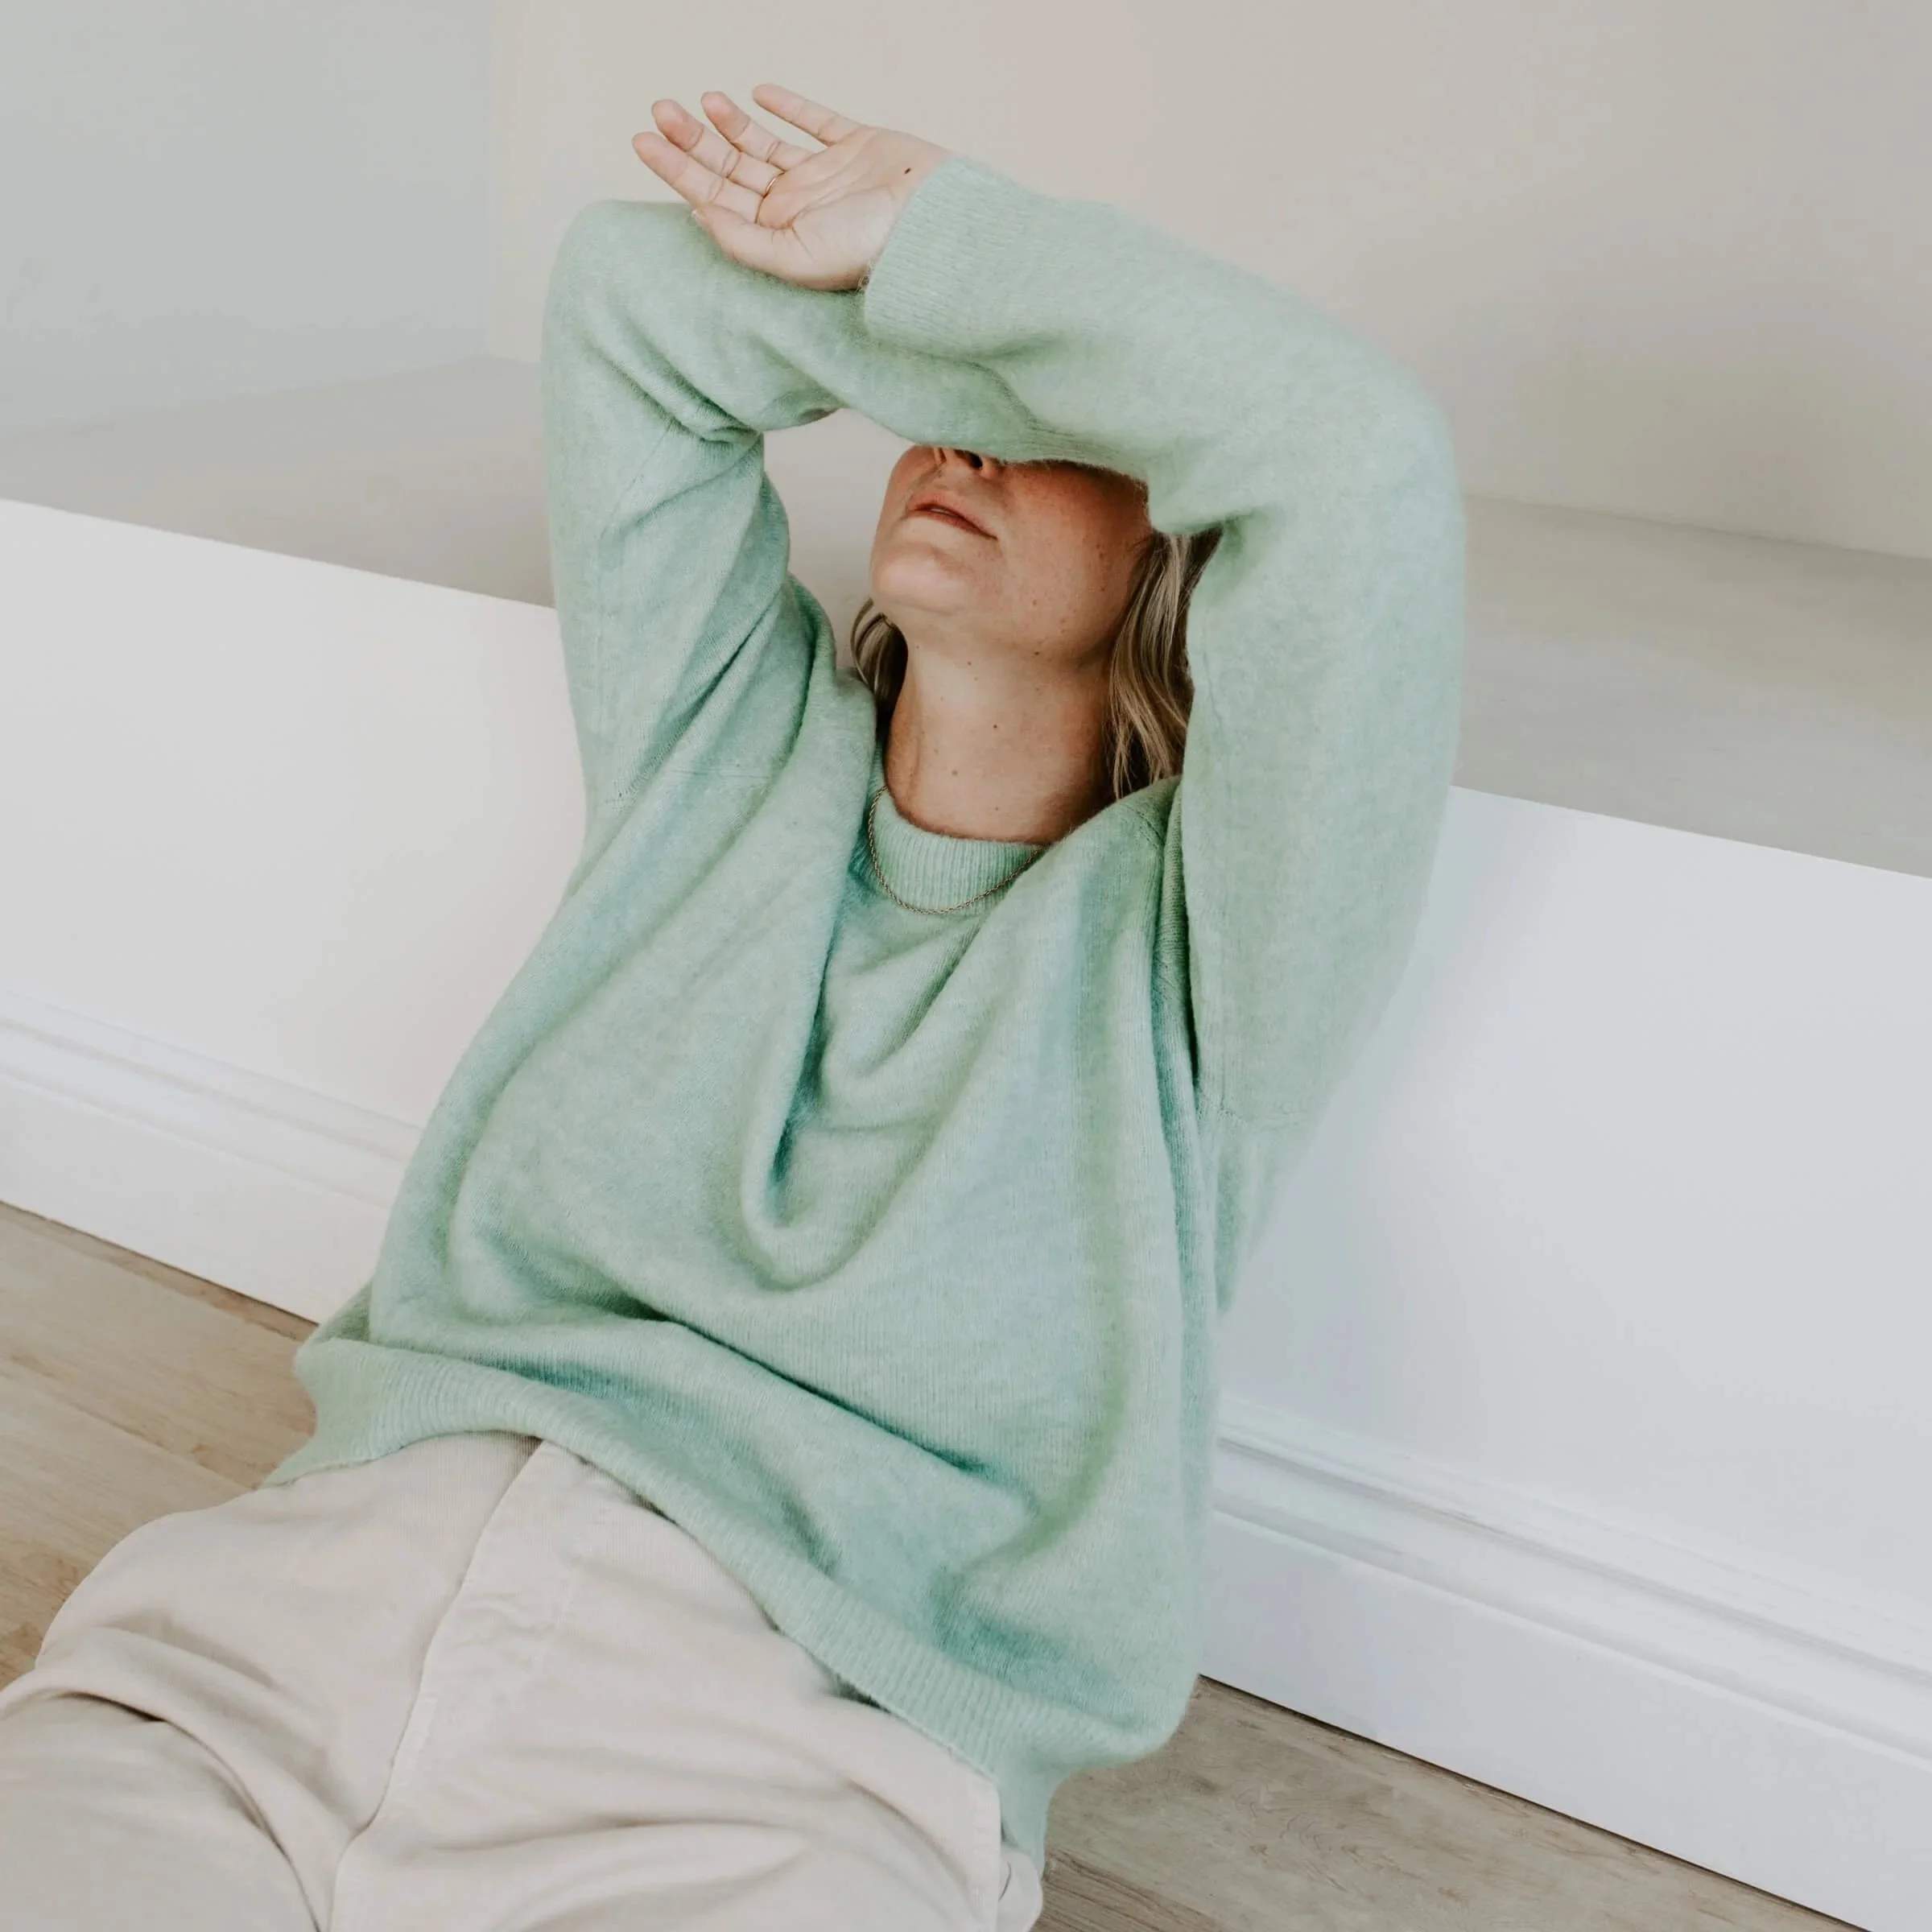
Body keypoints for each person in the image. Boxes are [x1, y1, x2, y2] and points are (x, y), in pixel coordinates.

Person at [0, 81, 1464, 1932]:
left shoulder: (1199, 971)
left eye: (1048, 422)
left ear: (1183, 541)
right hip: (264, 1661)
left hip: (774, 1781)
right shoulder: (721, 761)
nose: (955, 440)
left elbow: (1355, 460)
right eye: (935, 413)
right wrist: (965, 322)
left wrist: (944, 229)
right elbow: (627, 292)